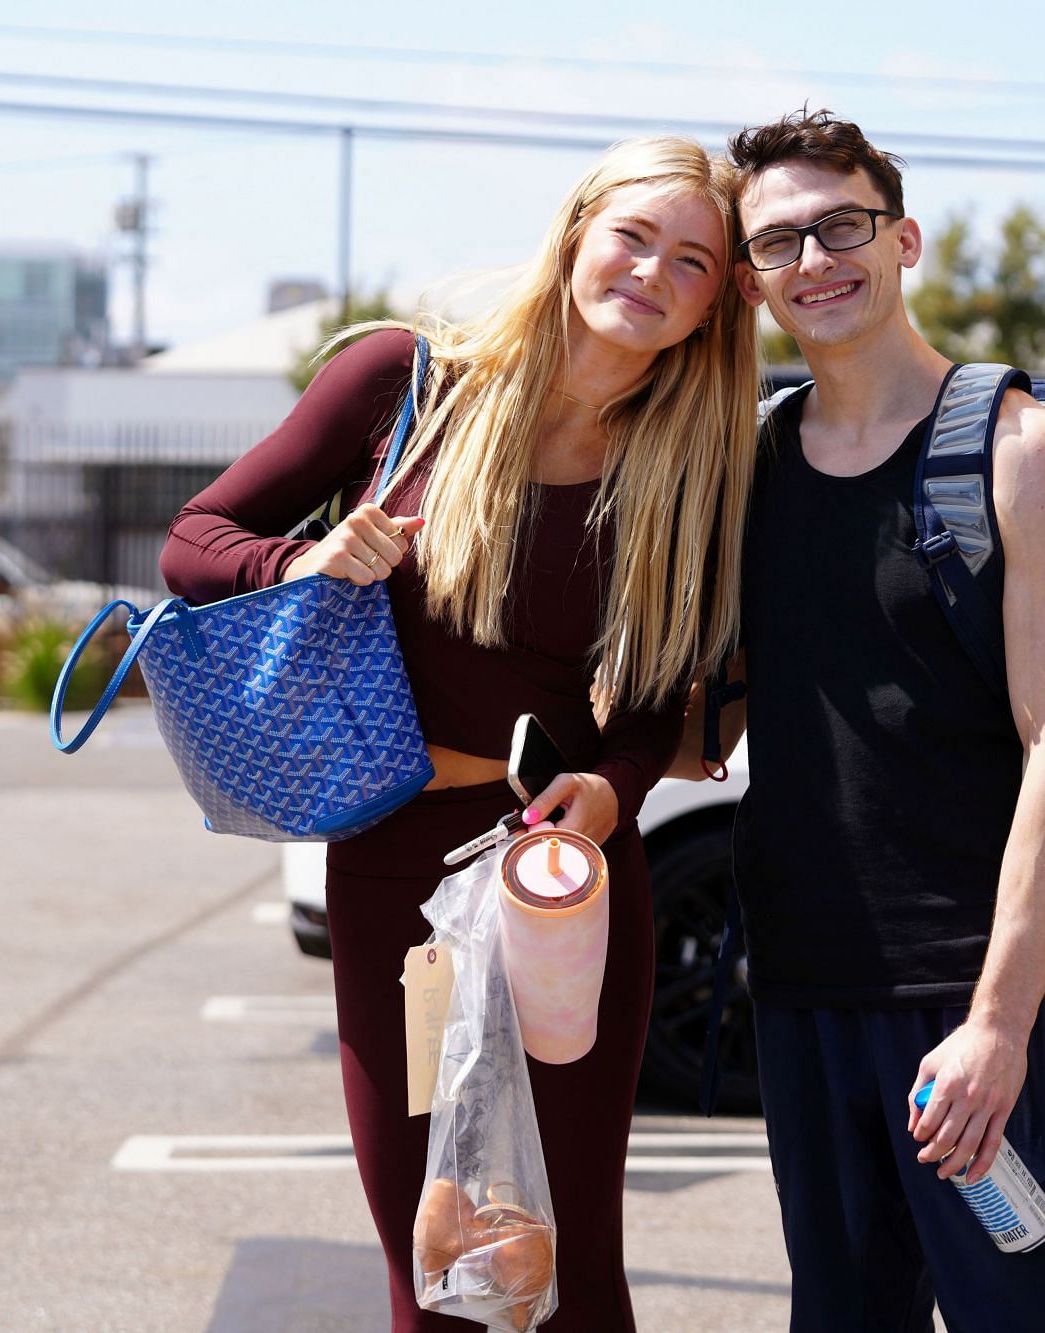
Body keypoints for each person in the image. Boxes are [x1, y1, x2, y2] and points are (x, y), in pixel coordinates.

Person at [161, 136, 759, 1333]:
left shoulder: (690, 465)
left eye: (691, 262)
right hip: (396, 874)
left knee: (571, 1264)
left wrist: (615, 791)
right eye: (634, 235)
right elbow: (194, 542)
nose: (650, 271)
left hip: (563, 884)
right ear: (579, 231)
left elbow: (653, 701)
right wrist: (306, 559)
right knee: (436, 1263)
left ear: (709, 309)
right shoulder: (410, 384)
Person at [706, 109, 1045, 1330]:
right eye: (780, 242)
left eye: (843, 226)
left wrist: (996, 1025)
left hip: (973, 996)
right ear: (751, 282)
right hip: (803, 992)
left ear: (906, 243)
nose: (815, 260)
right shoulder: (755, 463)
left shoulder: (1015, 451)